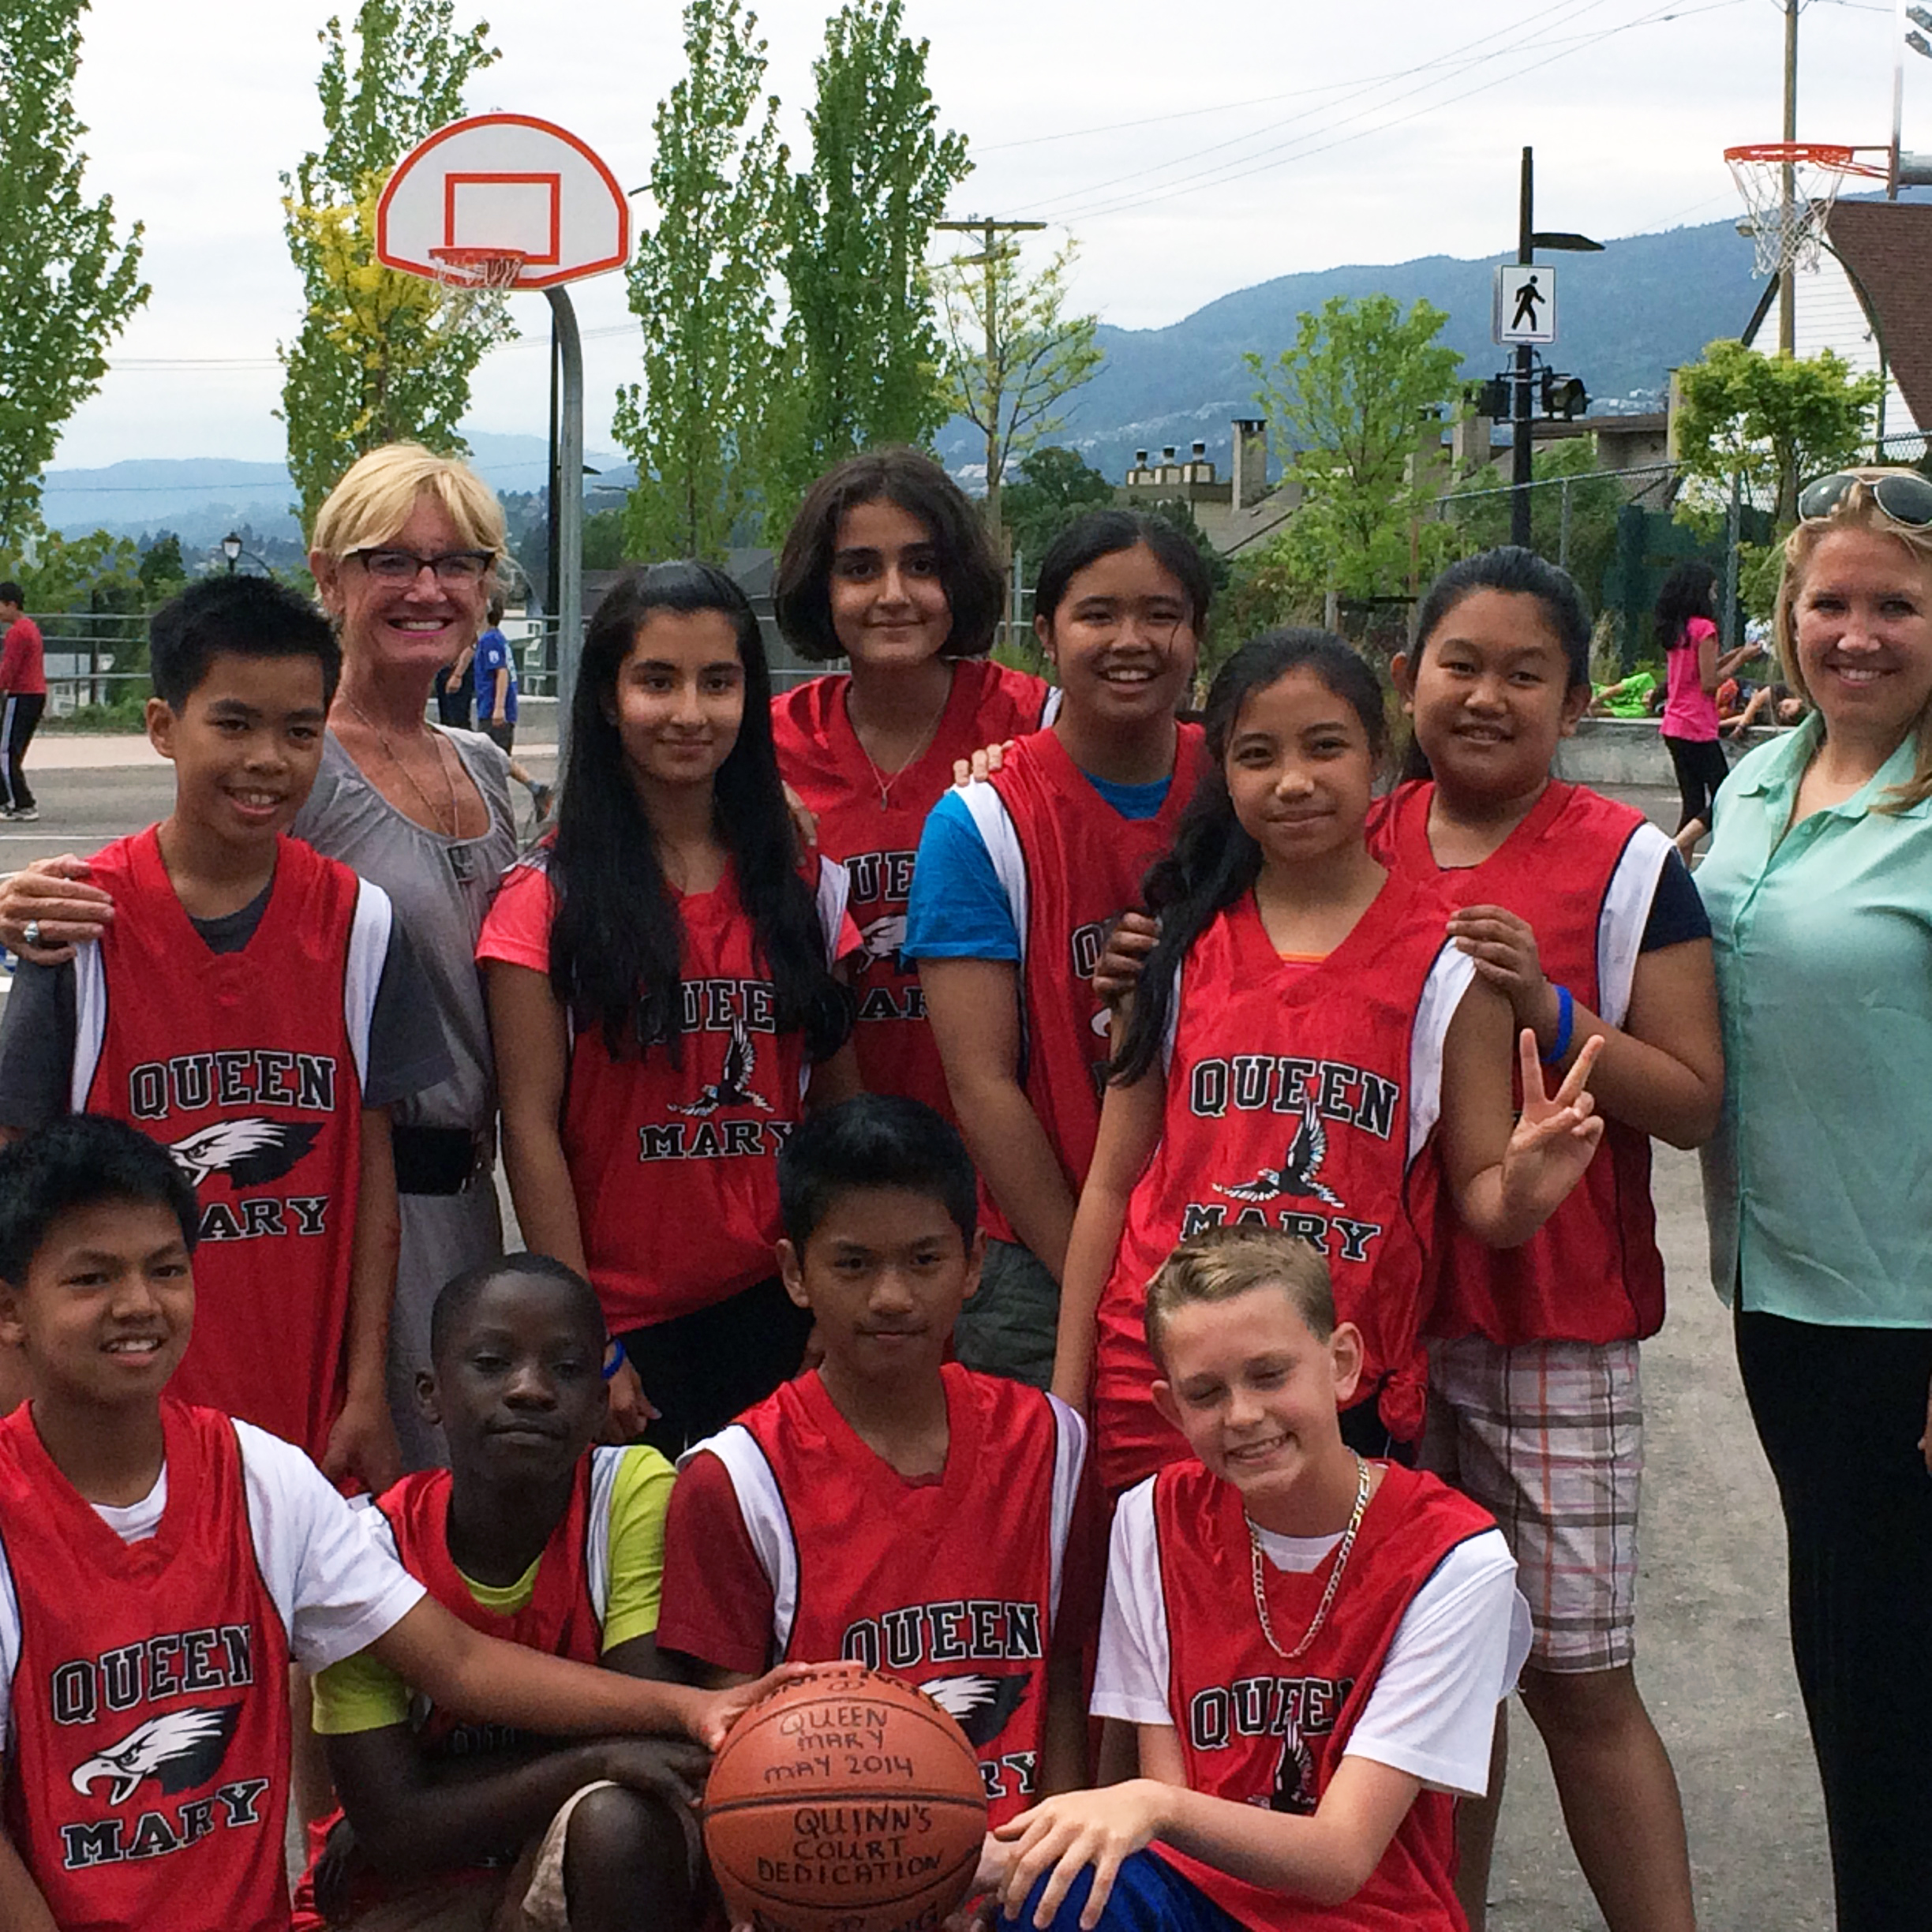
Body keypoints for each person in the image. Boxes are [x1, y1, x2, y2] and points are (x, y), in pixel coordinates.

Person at [0, 1115, 807, 1932]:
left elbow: (455, 1662)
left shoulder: (257, 1476)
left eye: (165, 1269)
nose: (138, 1304)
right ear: (10, 1310)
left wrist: (689, 1713)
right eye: (91, 1280)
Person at [0, 444, 539, 1469]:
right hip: (300, 1213)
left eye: (459, 560)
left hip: (459, 1199)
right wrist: (19, 905)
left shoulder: (477, 765)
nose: (429, 585)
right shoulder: (302, 762)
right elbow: (188, 873)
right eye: (394, 559)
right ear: (329, 575)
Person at [1055, 630, 1605, 1500]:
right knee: (1157, 1629)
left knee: (1314, 1628)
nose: (1295, 781)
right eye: (1257, 756)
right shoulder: (1180, 946)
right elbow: (1113, 1184)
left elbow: (1481, 1200)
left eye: (1325, 746)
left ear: (1379, 755)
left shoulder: (1453, 965)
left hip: (1335, 1380)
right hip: (1160, 1378)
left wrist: (1529, 1184)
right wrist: (1068, 1391)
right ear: (1224, 773)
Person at [1380, 548, 1717, 1932]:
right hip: (1383, 1323)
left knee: (1576, 1677)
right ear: (1406, 678)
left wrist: (1558, 1010)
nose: (1484, 693)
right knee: (1425, 1687)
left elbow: (1691, 1101)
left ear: (1576, 699)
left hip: (1554, 1328)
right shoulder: (1350, 826)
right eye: (1458, 661)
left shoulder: (1625, 857)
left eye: (1525, 672)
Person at [990, 1227, 1529, 1932]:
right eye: (1206, 1393)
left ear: (1342, 1364)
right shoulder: (1151, 1519)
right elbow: (1166, 1793)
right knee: (1048, 1897)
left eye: (1270, 1375)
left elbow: (1340, 1858)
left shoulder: (1454, 1558)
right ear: (1170, 1410)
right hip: (1201, 1900)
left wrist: (1156, 1807)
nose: (1243, 1415)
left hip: (1370, 1916)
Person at [1695, 466, 1932, 1931]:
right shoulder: (1763, 780)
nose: (1855, 631)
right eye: (1825, 601)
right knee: (1853, 1675)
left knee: (1895, 1687)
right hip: (1783, 1293)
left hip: (1906, 1313)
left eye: (1894, 604)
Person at [480, 564, 860, 1455]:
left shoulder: (804, 884)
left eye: (718, 683)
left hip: (780, 1304)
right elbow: (528, 1132)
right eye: (658, 680)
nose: (690, 713)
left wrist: (837, 1289)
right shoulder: (545, 900)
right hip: (628, 1329)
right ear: (609, 699)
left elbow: (841, 1108)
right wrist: (587, 1340)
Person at [657, 1094, 1102, 1831]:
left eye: (924, 1260)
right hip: (837, 1880)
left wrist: (1044, 1874)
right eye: (854, 1264)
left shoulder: (1052, 1444)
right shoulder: (734, 1478)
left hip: (1026, 1875)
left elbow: (1062, 1682)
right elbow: (736, 1749)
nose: (892, 1296)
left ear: (974, 1265)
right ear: (796, 1273)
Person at [292, 1254, 701, 1932]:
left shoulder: (628, 1494)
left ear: (601, 1403)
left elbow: (647, 1732)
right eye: (490, 1363)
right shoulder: (369, 1547)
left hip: (567, 1843)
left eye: (567, 1370)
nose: (530, 1390)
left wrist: (429, 1797)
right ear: (429, 1394)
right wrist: (593, 1757)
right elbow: (393, 1831)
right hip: (415, 1881)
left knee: (622, 1823)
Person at [903, 511, 1211, 1389]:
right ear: (1043, 634)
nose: (1132, 641)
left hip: (1232, 1258)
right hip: (1040, 1261)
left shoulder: (1244, 788)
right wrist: (1096, 1264)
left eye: (1162, 614)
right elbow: (982, 1085)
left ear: (1197, 632)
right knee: (1055, 1515)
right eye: (1097, 614)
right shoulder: (981, 823)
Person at [770, 448, 1057, 1119]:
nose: (893, 595)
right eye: (860, 568)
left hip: (1009, 1154)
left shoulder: (1038, 724)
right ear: (822, 585)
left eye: (922, 566)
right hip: (833, 1155)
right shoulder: (764, 748)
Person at [1656, 561, 1733, 838]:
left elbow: (1699, 669)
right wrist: (1742, 660)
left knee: (1693, 803)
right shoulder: (1704, 629)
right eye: (1712, 591)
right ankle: (1678, 848)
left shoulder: (1679, 630)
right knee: (1726, 796)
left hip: (1674, 724)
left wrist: (1735, 656)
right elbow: (1710, 683)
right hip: (1697, 726)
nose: (1714, 596)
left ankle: (1677, 866)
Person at [473, 598, 552, 822]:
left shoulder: (491, 640)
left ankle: (498, 813)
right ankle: (536, 789)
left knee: (492, 763)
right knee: (498, 759)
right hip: (492, 709)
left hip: (493, 710)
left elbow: (502, 673)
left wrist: (498, 708)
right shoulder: (493, 639)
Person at [0, 582, 47, 822]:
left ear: (11, 604)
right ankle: (9, 798)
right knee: (10, 750)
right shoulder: (30, 627)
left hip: (22, 695)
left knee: (6, 751)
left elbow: (8, 670)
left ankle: (20, 802)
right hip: (35, 694)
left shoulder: (17, 632)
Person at [432, 642, 475, 731]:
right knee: (446, 722)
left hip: (456, 670)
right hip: (442, 668)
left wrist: (458, 675)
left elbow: (470, 645)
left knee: (457, 720)